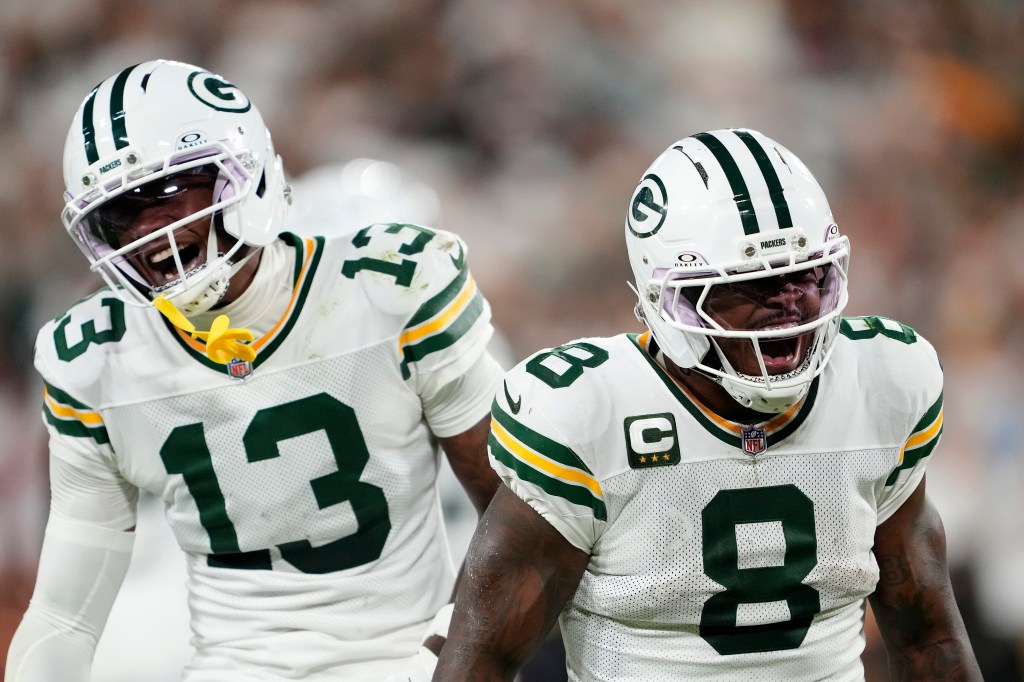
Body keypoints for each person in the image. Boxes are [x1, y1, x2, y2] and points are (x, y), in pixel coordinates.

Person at [5, 59, 504, 682]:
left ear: (250, 173)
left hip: (401, 660)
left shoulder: (391, 288)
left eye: (170, 190)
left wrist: (448, 661)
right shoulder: (97, 356)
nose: (149, 230)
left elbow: (516, 522)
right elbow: (64, 616)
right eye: (120, 211)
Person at [435, 128, 982, 681]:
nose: (789, 306)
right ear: (668, 300)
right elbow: (482, 662)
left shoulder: (882, 382)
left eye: (804, 275)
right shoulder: (587, 411)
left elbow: (928, 641)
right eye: (749, 284)